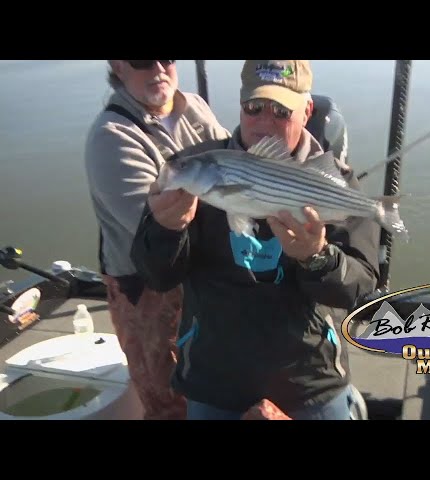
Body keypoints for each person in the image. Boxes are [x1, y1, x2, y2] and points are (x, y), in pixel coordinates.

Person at [130, 60, 380, 420]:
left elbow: (358, 287)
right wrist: (167, 229)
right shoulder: (192, 167)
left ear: (307, 110)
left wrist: (316, 257)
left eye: (281, 110)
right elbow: (157, 276)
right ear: (241, 104)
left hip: (310, 380)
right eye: (254, 107)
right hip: (214, 380)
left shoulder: (335, 185)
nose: (265, 121)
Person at [84, 60, 231, 420]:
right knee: (170, 398)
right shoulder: (112, 137)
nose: (159, 69)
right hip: (148, 291)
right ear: (119, 66)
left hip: (203, 276)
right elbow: (154, 235)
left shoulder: (193, 105)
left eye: (167, 59)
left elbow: (235, 162)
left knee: (216, 384)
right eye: (142, 61)